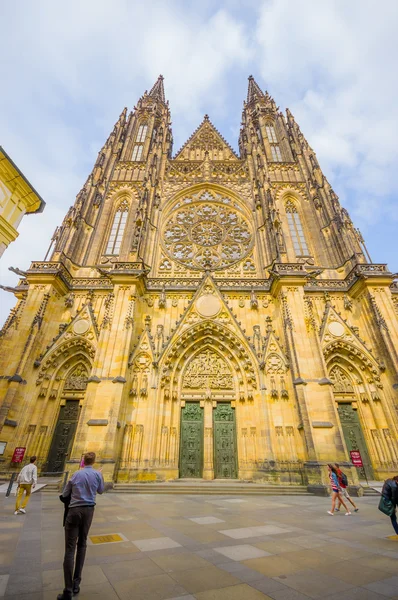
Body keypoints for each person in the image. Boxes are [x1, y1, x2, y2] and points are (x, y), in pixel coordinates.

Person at [57, 452, 104, 600]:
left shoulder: (76, 474)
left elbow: (65, 494)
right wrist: (99, 476)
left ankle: (68, 590)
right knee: (82, 544)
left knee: (70, 549)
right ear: (94, 461)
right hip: (89, 510)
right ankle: (77, 583)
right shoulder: (97, 474)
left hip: (74, 511)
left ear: (83, 461)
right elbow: (101, 490)